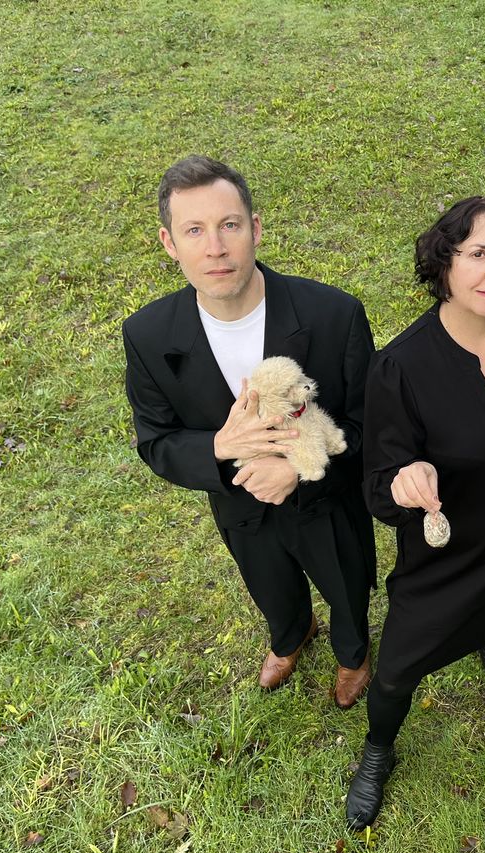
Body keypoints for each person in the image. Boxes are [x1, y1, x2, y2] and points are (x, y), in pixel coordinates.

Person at [345, 196, 485, 830]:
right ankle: (378, 751)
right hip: (448, 554)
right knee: (395, 670)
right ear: (443, 263)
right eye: (477, 254)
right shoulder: (400, 368)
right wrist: (405, 480)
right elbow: (377, 489)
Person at [122, 155, 376, 708]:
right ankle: (291, 636)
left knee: (347, 586)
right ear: (169, 243)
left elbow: (372, 425)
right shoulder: (146, 335)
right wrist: (218, 447)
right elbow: (155, 440)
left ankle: (353, 653)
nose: (215, 247)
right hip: (239, 507)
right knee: (269, 586)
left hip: (328, 505)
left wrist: (297, 469)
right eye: (195, 230)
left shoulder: (334, 315)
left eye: (229, 225)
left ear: (255, 229)